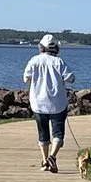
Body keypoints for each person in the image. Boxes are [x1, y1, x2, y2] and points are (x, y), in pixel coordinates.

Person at [23, 33, 74, 171]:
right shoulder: (59, 62)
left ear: (41, 47)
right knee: (58, 133)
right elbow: (71, 78)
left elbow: (26, 79)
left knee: (42, 133)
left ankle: (45, 161)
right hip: (58, 102)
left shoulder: (34, 60)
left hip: (38, 102)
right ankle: (53, 156)